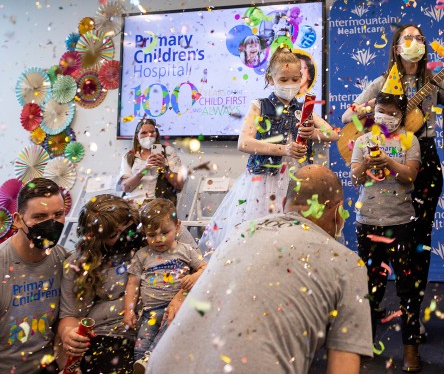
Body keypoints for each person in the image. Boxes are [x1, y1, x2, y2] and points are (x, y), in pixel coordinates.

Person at [146, 165, 373, 374]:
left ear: (285, 202)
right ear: (338, 211)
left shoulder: (240, 232)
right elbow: (343, 365)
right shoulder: (347, 263)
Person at [341, 24, 444, 322]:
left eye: (419, 38)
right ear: (396, 47)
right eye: (407, 38)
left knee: (418, 242)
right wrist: (372, 113)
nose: (414, 43)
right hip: (385, 157)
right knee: (376, 244)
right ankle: (373, 311)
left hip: (422, 158)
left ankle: (413, 313)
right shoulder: (382, 81)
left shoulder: (432, 82)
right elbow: (347, 116)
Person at [198, 47, 339, 253]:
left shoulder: (302, 109)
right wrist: (284, 149)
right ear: (270, 78)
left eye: (295, 79)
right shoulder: (260, 106)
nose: (290, 85)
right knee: (258, 240)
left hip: (296, 182)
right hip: (263, 183)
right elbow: (244, 142)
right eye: (283, 79)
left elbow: (334, 134)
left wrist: (313, 133)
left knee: (293, 240)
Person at [57, 194, 198, 374]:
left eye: (128, 226)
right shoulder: (78, 263)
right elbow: (70, 315)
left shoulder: (158, 226)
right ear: (97, 239)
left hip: (164, 321)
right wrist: (68, 333)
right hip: (112, 333)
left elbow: (201, 269)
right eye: (115, 234)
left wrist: (180, 296)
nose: (126, 235)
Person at [350, 88, 423, 371]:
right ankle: (365, 343)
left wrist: (390, 163)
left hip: (401, 223)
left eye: (393, 114)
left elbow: (411, 175)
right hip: (367, 222)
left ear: (402, 116)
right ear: (373, 112)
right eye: (382, 112)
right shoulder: (362, 141)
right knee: (371, 287)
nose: (387, 118)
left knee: (408, 288)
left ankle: (410, 348)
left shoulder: (410, 140)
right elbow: (355, 177)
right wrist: (368, 162)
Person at [123, 199, 206, 372]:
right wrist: (129, 309)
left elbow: (205, 267)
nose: (158, 239)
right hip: (149, 310)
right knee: (141, 344)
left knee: (166, 335)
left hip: (175, 307)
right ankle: (142, 364)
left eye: (164, 233)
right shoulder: (142, 255)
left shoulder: (186, 250)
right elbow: (132, 283)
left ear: (177, 227)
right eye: (152, 235)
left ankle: (151, 358)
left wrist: (195, 276)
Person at [0, 178, 67, 374]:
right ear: (18, 220)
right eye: (39, 216)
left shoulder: (65, 260)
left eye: (58, 214)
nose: (51, 223)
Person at [118, 118, 185, 206]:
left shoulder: (168, 152)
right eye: (144, 133)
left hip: (159, 207)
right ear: (136, 137)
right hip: (133, 205)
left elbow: (179, 185)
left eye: (152, 132)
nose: (148, 136)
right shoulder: (130, 156)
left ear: (156, 134)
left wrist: (164, 169)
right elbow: (126, 188)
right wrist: (144, 169)